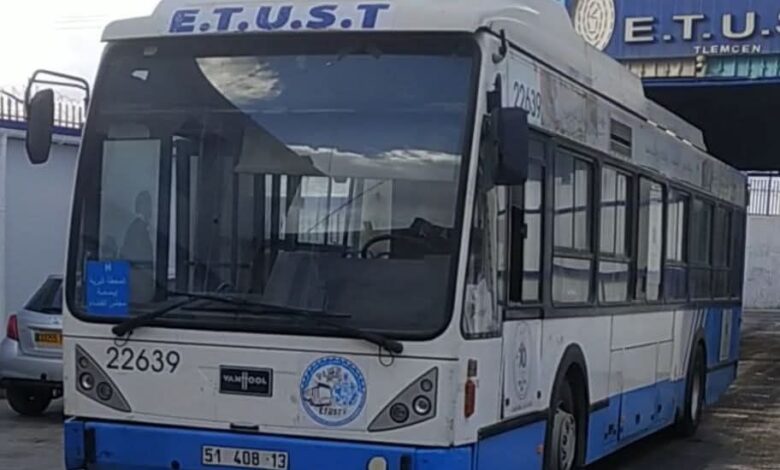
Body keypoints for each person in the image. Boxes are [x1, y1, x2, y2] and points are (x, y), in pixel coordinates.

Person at [120, 191, 155, 303]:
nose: (151, 208)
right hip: (139, 283)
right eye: (147, 204)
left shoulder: (140, 227)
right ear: (141, 206)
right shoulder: (138, 228)